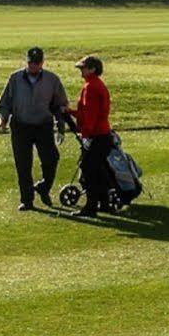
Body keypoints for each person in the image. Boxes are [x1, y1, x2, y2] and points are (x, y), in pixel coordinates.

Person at [0, 46, 70, 211]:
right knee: (23, 164)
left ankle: (44, 186)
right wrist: (3, 119)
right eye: (31, 63)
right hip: (20, 126)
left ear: (42, 62)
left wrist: (61, 126)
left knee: (51, 159)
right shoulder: (15, 78)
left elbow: (60, 105)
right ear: (26, 62)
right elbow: (5, 102)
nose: (34, 66)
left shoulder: (52, 80)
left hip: (43, 125)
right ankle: (27, 200)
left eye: (37, 63)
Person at [72, 54, 114, 217]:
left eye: (83, 68)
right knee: (98, 170)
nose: (81, 71)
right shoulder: (96, 85)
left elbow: (90, 115)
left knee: (89, 170)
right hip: (103, 134)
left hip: (96, 135)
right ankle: (104, 204)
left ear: (92, 69)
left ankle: (91, 207)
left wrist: (86, 135)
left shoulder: (90, 87)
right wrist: (70, 112)